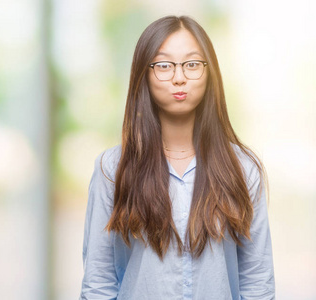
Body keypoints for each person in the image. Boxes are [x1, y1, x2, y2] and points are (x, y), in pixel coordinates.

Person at [79, 15, 275, 300]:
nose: (179, 77)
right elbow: (99, 281)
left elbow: (257, 282)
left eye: (192, 64)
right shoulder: (112, 168)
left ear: (210, 74)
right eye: (164, 65)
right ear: (143, 74)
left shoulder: (243, 169)